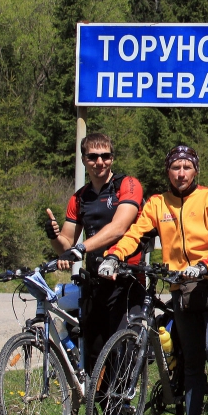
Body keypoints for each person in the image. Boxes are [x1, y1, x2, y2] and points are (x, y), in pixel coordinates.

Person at [100, 145, 208, 415]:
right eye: (175, 167)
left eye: (187, 167)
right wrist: (114, 255)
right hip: (180, 286)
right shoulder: (157, 203)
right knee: (192, 360)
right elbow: (135, 234)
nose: (181, 173)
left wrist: (204, 265)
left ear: (196, 170)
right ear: (168, 171)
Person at [45, 132, 145, 373]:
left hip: (126, 280)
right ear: (83, 159)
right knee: (93, 357)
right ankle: (98, 398)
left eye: (105, 156)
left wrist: (80, 248)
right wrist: (54, 236)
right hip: (95, 283)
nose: (99, 162)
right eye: (92, 157)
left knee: (122, 352)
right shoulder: (79, 198)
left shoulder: (127, 185)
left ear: (112, 158)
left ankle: (124, 396)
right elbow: (66, 245)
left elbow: (119, 227)